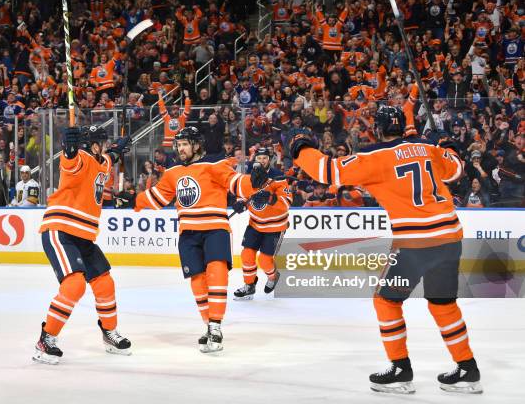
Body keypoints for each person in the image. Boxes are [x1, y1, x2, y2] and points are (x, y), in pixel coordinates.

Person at [290, 106, 482, 394]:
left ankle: (400, 370)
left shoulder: (374, 157)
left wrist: (300, 147)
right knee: (443, 304)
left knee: (386, 301)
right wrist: (448, 146)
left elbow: (326, 171)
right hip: (450, 236)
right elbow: (456, 169)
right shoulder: (427, 149)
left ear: (378, 130)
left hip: (415, 242)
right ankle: (468, 368)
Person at [134, 127, 268, 353]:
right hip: (188, 233)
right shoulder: (172, 172)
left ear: (196, 145)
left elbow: (235, 182)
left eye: (185, 144)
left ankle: (216, 327)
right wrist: (132, 200)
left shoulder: (213, 165)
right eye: (178, 144)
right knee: (197, 281)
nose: (180, 148)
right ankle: (209, 325)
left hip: (215, 228)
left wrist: (252, 183)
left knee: (216, 273)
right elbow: (157, 198)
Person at [33, 125, 131, 365]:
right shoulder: (81, 158)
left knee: (105, 282)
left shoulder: (102, 161)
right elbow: (69, 163)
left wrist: (119, 147)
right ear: (93, 145)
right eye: (103, 142)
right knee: (75, 284)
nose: (106, 147)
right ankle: (46, 339)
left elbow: (112, 157)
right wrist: (69, 149)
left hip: (84, 236)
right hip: (61, 229)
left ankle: (109, 333)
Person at [231, 147, 292, 300]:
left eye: (265, 158)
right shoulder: (248, 176)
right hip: (255, 223)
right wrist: (239, 204)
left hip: (275, 226)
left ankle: (273, 277)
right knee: (247, 254)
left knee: (265, 260)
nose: (262, 161)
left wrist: (271, 199)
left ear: (269, 160)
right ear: (255, 159)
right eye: (259, 158)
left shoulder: (278, 177)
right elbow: (243, 195)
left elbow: (287, 202)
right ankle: (249, 285)